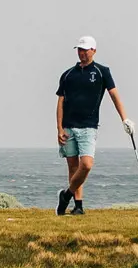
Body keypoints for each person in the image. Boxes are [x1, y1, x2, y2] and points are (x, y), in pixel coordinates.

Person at [53, 37, 129, 215]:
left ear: (94, 50)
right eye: (79, 49)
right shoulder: (68, 74)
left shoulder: (102, 72)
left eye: (85, 50)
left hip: (88, 126)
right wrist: (59, 128)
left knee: (85, 165)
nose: (82, 53)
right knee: (73, 167)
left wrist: (124, 119)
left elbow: (114, 95)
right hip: (68, 126)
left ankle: (66, 195)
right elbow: (60, 102)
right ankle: (78, 205)